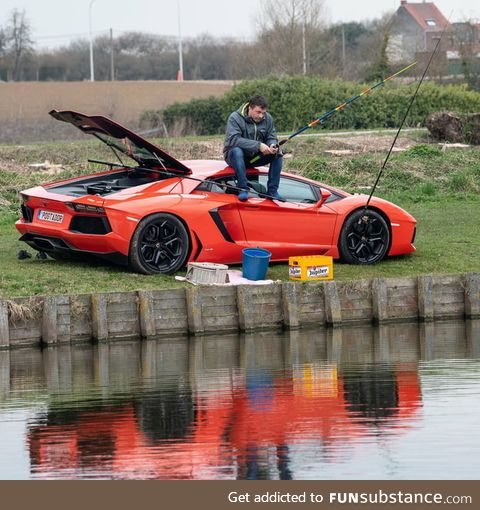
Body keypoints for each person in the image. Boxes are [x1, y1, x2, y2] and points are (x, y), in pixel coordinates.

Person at [224, 95, 284, 202]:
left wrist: (272, 145)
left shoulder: (268, 118)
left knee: (278, 153)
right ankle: (242, 188)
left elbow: (271, 137)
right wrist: (258, 145)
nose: (261, 115)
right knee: (237, 151)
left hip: (254, 158)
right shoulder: (235, 118)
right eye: (258, 112)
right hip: (234, 157)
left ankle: (272, 192)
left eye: (263, 112)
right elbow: (234, 140)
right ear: (250, 108)